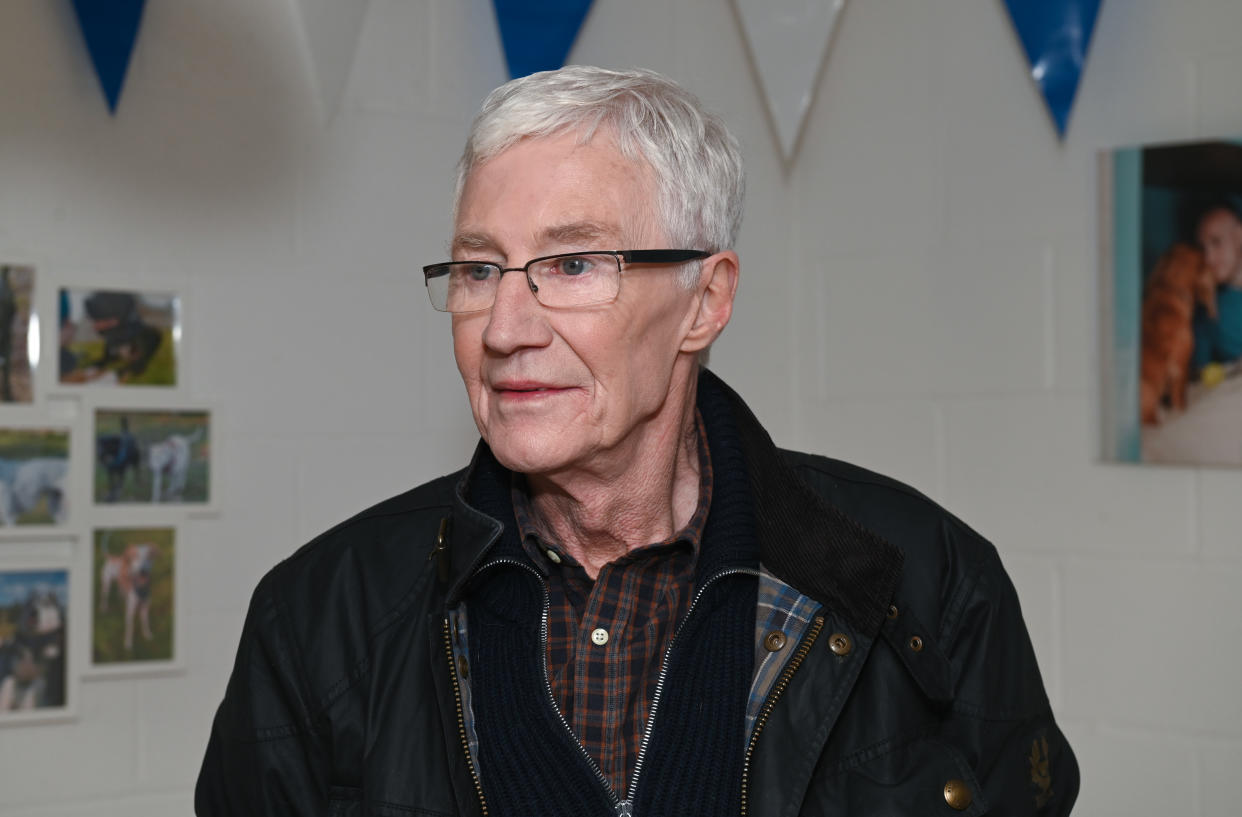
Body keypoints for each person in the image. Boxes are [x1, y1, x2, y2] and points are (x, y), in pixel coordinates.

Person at [196, 66, 1078, 816]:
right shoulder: (319, 617)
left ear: (704, 302)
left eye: (573, 264)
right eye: (477, 269)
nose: (505, 327)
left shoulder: (926, 582)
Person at [1192, 203, 1242, 372]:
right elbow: (1200, 376)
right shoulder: (1207, 309)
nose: (1209, 258)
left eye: (1216, 242)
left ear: (1239, 236)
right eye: (1203, 248)